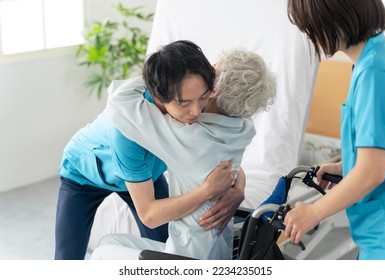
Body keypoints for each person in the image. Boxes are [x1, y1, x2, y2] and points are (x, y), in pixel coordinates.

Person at [55, 40, 245, 260]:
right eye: (183, 103)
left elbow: (219, 154)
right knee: (66, 259)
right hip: (82, 173)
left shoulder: (196, 106)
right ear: (158, 97)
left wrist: (239, 188)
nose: (195, 111)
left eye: (203, 97)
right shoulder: (127, 133)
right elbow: (149, 215)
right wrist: (206, 191)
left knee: (164, 251)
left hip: (145, 173)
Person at [90, 46, 276, 259]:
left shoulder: (188, 136)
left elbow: (119, 100)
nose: (194, 109)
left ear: (215, 90)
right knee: (109, 242)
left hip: (185, 257)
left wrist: (166, 75)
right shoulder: (244, 128)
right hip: (217, 251)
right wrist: (240, 186)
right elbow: (230, 166)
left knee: (102, 253)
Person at [284, 0, 385, 260]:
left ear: (335, 18)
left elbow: (372, 172)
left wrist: (314, 211)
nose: (309, 35)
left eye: (310, 26)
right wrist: (346, 165)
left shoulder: (373, 72)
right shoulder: (374, 59)